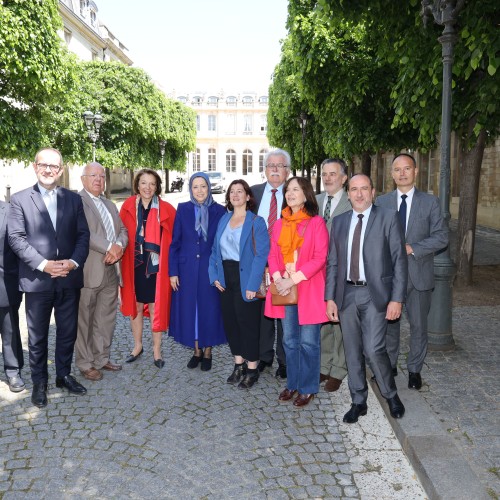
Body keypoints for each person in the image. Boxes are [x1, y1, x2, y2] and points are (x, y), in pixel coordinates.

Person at [8, 148, 90, 408]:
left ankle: (63, 375)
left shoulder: (73, 199)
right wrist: (44, 265)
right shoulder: (20, 200)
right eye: (43, 165)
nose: (48, 170)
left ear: (61, 170)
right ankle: (39, 382)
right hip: (37, 280)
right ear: (34, 167)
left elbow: (83, 235)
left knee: (67, 332)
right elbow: (16, 239)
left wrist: (73, 262)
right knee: (37, 336)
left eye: (53, 166)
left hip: (68, 277)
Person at [325, 174, 408, 423]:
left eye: (364, 189)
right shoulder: (339, 222)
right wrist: (330, 298)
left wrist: (397, 299)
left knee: (373, 349)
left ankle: (390, 394)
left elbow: (399, 262)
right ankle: (358, 401)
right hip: (346, 294)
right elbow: (333, 263)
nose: (359, 194)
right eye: (354, 189)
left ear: (373, 192)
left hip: (375, 295)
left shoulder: (388, 217)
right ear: (347, 193)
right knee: (352, 351)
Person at [375, 153, 448, 390]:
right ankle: (390, 365)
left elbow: (441, 237)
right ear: (392, 174)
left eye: (407, 168)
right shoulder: (382, 203)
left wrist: (412, 248)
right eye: (397, 169)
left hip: (419, 273)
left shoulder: (430, 202)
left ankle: (415, 369)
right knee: (389, 325)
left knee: (418, 326)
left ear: (415, 172)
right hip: (389, 275)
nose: (402, 173)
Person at [265, 177, 329, 407]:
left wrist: (292, 279)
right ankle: (292, 383)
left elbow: (320, 258)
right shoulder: (280, 224)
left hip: (308, 287)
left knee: (309, 342)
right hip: (286, 289)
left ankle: (308, 387)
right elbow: (273, 255)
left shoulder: (316, 223)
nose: (290, 193)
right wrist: (279, 278)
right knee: (290, 341)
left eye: (296, 189)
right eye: (288, 190)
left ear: (306, 194)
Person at [209, 180, 269, 388]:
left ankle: (252, 369)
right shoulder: (224, 219)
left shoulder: (256, 222)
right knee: (231, 323)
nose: (235, 195)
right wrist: (214, 275)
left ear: (247, 196)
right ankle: (238, 365)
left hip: (246, 279)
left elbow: (261, 256)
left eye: (239, 191)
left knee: (248, 325)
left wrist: (252, 285)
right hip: (225, 277)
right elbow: (215, 251)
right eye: (232, 192)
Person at [75, 162, 128, 382]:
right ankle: (85, 363)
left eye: (102, 176)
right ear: (83, 179)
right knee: (85, 319)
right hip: (89, 271)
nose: (99, 180)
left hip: (111, 270)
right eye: (93, 176)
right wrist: (109, 247)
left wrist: (119, 248)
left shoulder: (109, 204)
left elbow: (123, 230)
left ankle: (101, 358)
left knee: (106, 319)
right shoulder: (76, 202)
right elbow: (82, 232)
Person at [169, 172, 226, 371]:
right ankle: (196, 351)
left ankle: (208, 351)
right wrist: (173, 272)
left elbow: (222, 243)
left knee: (209, 310)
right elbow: (174, 242)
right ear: (190, 189)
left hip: (210, 270)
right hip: (186, 270)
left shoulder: (220, 211)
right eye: (195, 186)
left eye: (203, 186)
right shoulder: (183, 209)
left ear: (209, 188)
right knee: (191, 310)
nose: (200, 190)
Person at [119, 169, 176, 369]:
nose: (148, 187)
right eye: (144, 183)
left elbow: (174, 241)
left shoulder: (167, 209)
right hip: (133, 265)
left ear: (157, 186)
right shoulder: (127, 206)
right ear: (137, 185)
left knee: (155, 308)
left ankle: (157, 350)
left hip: (157, 269)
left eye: (152, 184)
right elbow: (121, 234)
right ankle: (137, 346)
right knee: (135, 306)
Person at [251, 148, 291, 379]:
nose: (275, 169)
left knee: (284, 311)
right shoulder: (254, 193)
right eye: (271, 165)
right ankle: (264, 355)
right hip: (259, 261)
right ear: (265, 169)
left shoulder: (295, 192)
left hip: (285, 263)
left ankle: (284, 360)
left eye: (280, 166)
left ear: (287, 171)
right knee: (262, 311)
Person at [316, 158, 351, 393]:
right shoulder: (315, 201)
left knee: (339, 321)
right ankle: (324, 363)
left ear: (344, 178)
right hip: (318, 271)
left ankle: (339, 368)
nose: (328, 178)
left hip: (342, 269)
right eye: (324, 174)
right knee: (323, 319)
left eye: (333, 174)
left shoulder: (353, 201)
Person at [0, 201, 24, 393]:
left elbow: (20, 246)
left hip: (5, 283)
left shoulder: (9, 211)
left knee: (9, 330)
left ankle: (13, 370)